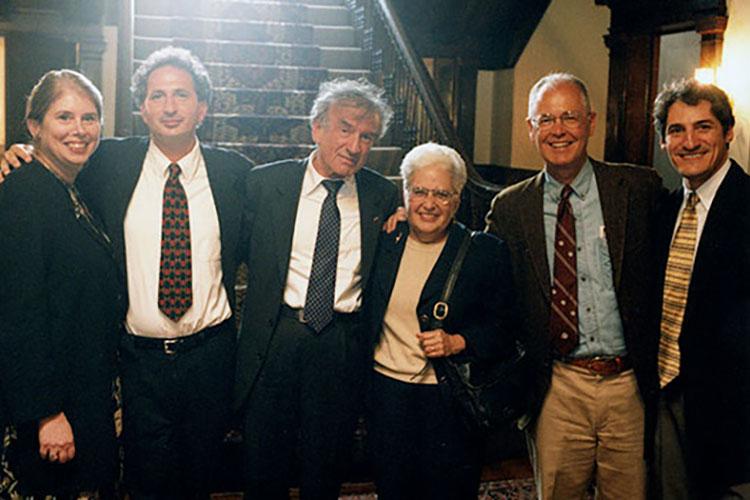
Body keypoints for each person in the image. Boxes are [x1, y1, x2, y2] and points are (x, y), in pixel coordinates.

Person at [2, 46, 252, 498]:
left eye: (181, 94)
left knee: (200, 481)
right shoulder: (106, 164)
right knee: (144, 484)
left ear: (203, 107)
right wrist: (18, 153)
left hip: (210, 359)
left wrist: (395, 213)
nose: (170, 106)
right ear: (141, 108)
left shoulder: (237, 175)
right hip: (137, 365)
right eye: (157, 95)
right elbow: (52, 159)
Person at [485, 72, 662, 499]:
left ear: (591, 122)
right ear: (530, 129)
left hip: (628, 388)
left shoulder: (639, 190)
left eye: (569, 117)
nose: (558, 130)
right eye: (546, 120)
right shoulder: (511, 208)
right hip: (556, 389)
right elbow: (481, 280)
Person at [234, 78, 401, 499]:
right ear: (317, 128)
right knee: (263, 468)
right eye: (345, 129)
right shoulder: (264, 185)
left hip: (342, 344)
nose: (355, 146)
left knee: (325, 469)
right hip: (276, 338)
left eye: (367, 136)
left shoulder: (382, 196)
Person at [364, 142, 518, 499]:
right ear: (405, 192)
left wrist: (459, 341)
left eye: (441, 194)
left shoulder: (484, 252)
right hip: (387, 396)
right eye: (419, 191)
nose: (429, 203)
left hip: (449, 401)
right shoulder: (384, 240)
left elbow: (507, 329)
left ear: (457, 199)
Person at [0, 70, 123, 497]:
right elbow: (19, 313)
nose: (79, 130)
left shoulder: (72, 187)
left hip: (83, 395)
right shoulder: (23, 194)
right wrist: (47, 413)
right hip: (50, 413)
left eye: (90, 118)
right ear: (35, 126)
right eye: (64, 117)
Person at [649, 79, 750, 500]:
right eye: (676, 130)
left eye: (703, 127)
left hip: (735, 415)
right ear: (663, 140)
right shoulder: (665, 208)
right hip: (668, 396)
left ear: (728, 132)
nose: (689, 142)